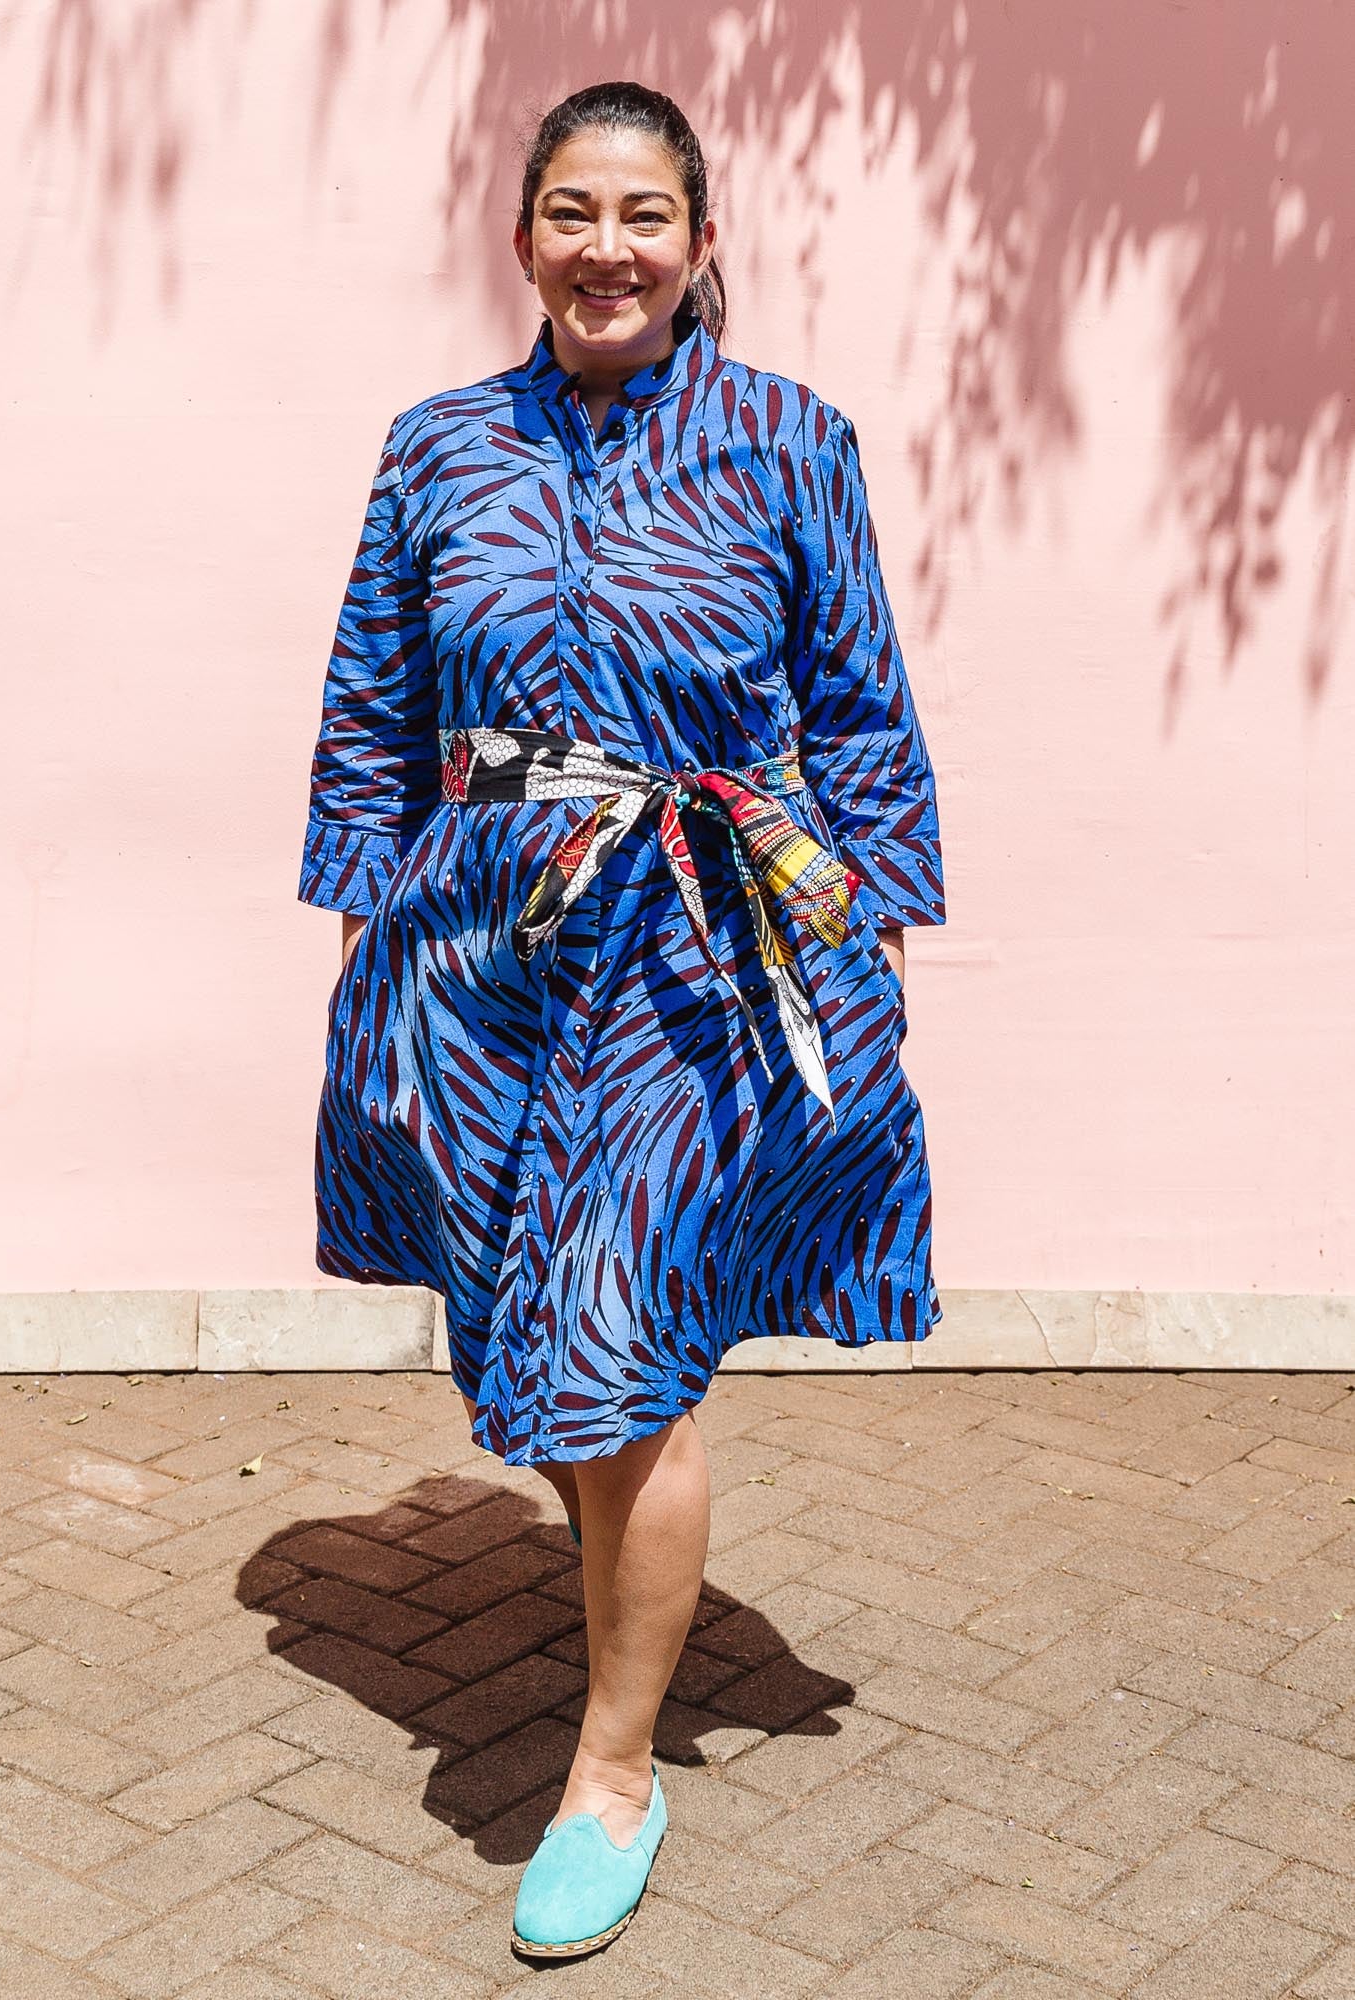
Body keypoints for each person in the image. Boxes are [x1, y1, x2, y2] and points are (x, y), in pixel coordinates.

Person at [296, 79, 946, 1961]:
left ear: (702, 238)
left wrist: (868, 934)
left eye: (644, 214)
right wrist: (367, 942)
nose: (608, 250)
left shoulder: (790, 444)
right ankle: (612, 1625)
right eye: (571, 213)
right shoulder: (436, 452)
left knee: (621, 1343)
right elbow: (374, 698)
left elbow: (862, 706)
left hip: (700, 959)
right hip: (492, 951)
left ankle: (610, 1769)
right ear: (524, 240)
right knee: (545, 1330)